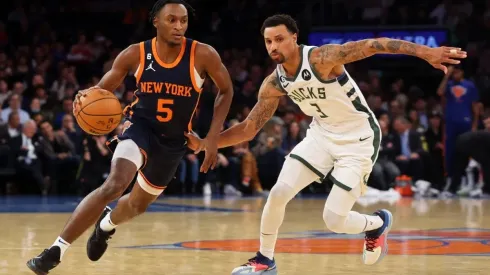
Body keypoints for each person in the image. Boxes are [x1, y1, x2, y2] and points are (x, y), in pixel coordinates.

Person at [186, 14, 466, 274]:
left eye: (280, 39)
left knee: (333, 219)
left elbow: (373, 44)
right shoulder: (274, 83)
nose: (273, 46)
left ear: (295, 37)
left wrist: (426, 52)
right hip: (321, 135)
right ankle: (265, 260)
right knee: (278, 193)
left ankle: (378, 223)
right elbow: (248, 129)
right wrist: (205, 144)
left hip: (358, 139)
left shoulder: (322, 57)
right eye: (269, 41)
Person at [26, 0, 233, 274]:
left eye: (183, 20)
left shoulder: (203, 54)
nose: (179, 26)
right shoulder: (135, 54)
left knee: (136, 205)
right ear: (155, 21)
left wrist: (212, 138)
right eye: (171, 20)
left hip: (174, 141)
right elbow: (101, 92)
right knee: (114, 184)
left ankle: (105, 226)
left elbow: (226, 90)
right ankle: (55, 250)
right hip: (139, 128)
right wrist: (86, 97)